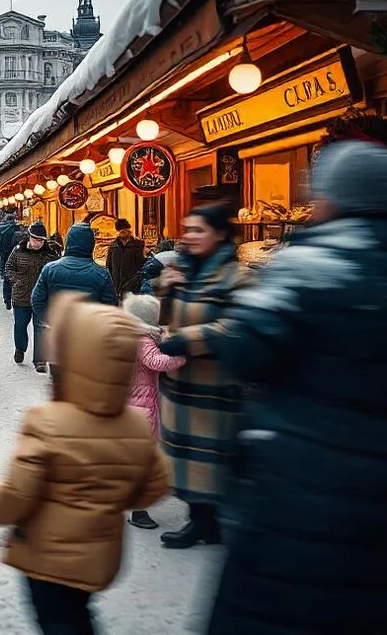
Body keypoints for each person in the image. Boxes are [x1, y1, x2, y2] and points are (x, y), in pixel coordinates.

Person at [195, 141, 387, 635]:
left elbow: (243, 352)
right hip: (385, 497)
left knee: (267, 610)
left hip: (291, 489)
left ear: (333, 199)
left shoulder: (310, 268)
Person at [0, 292, 171, 635]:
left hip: (44, 557)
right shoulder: (132, 425)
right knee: (79, 616)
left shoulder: (48, 421)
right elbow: (155, 485)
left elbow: (15, 496)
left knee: (58, 622)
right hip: (99, 558)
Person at [152, 203, 250, 549]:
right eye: (187, 229)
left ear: (221, 233)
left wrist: (186, 340)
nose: (189, 236)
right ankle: (202, 520)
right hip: (181, 386)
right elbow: (165, 317)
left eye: (198, 230)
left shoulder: (236, 276)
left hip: (213, 387)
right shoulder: (185, 271)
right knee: (188, 459)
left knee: (209, 459)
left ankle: (210, 522)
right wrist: (164, 290)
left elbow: (237, 327)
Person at [121, 293, 185, 530]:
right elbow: (157, 362)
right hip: (141, 405)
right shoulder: (143, 339)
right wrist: (181, 354)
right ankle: (138, 511)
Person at [31, 223, 117, 377]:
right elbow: (111, 308)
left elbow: (37, 299)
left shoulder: (50, 269)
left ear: (68, 241)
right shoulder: (101, 274)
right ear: (91, 244)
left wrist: (49, 319)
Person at [4, 221, 60, 373]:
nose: (38, 243)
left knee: (41, 329)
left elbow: (55, 274)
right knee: (20, 326)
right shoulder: (18, 251)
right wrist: (16, 280)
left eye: (41, 240)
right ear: (29, 237)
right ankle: (20, 348)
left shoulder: (50, 255)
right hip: (21, 296)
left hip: (42, 299)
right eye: (35, 239)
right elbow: (8, 268)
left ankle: (40, 360)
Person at [105, 218, 146, 299]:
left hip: (133, 288)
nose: (123, 232)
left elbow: (142, 266)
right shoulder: (113, 246)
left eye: (125, 229)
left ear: (129, 230)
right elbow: (109, 266)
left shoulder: (138, 245)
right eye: (121, 230)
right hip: (116, 287)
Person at [0, 212, 19, 309]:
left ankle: (7, 299)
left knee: (7, 277)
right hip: (17, 256)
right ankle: (15, 298)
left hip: (4, 256)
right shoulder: (17, 228)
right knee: (17, 277)